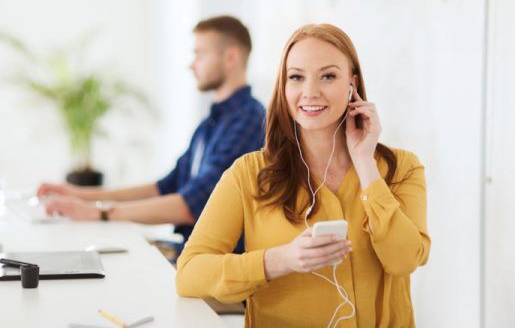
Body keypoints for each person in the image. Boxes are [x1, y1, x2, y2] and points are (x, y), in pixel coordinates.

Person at [175, 23, 430, 327]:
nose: (310, 92)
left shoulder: (402, 168)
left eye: (328, 76)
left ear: (352, 84)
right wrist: (280, 260)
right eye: (296, 77)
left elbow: (404, 260)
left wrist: (365, 163)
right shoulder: (248, 174)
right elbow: (189, 273)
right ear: (283, 87)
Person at [37, 16, 265, 251]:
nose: (192, 64)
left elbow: (190, 207)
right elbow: (163, 187)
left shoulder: (249, 121)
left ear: (231, 57)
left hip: (216, 263)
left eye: (200, 54)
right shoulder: (212, 122)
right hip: (192, 251)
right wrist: (80, 195)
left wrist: (96, 213)